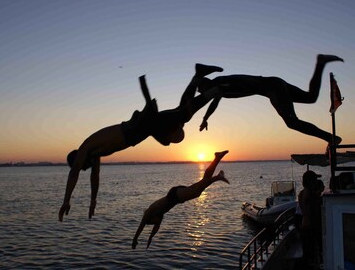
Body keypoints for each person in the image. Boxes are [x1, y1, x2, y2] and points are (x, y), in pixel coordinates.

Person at [59, 64, 223, 222]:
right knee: (179, 119)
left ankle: (213, 87)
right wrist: (93, 200)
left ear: (77, 159)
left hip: (137, 127)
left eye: (82, 166)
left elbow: (74, 173)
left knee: (183, 114)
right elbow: (95, 178)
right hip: (142, 129)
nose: (84, 168)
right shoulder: (94, 154)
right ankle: (198, 76)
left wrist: (66, 201)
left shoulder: (85, 147)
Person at [197, 54, 344, 145]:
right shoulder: (219, 88)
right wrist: (205, 118)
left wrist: (205, 117)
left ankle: (331, 138)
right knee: (310, 97)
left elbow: (216, 99)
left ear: (206, 84)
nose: (204, 95)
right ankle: (321, 63)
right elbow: (215, 101)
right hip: (275, 83)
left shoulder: (219, 82)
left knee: (291, 122)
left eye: (202, 91)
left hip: (272, 88)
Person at [132, 150, 229, 249]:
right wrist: (150, 238)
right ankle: (217, 160)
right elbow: (156, 228)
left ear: (149, 219)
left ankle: (217, 176)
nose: (157, 221)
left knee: (197, 192)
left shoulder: (148, 212)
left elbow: (141, 227)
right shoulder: (159, 216)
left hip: (174, 195)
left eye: (154, 221)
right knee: (202, 183)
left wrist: (135, 240)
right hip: (176, 196)